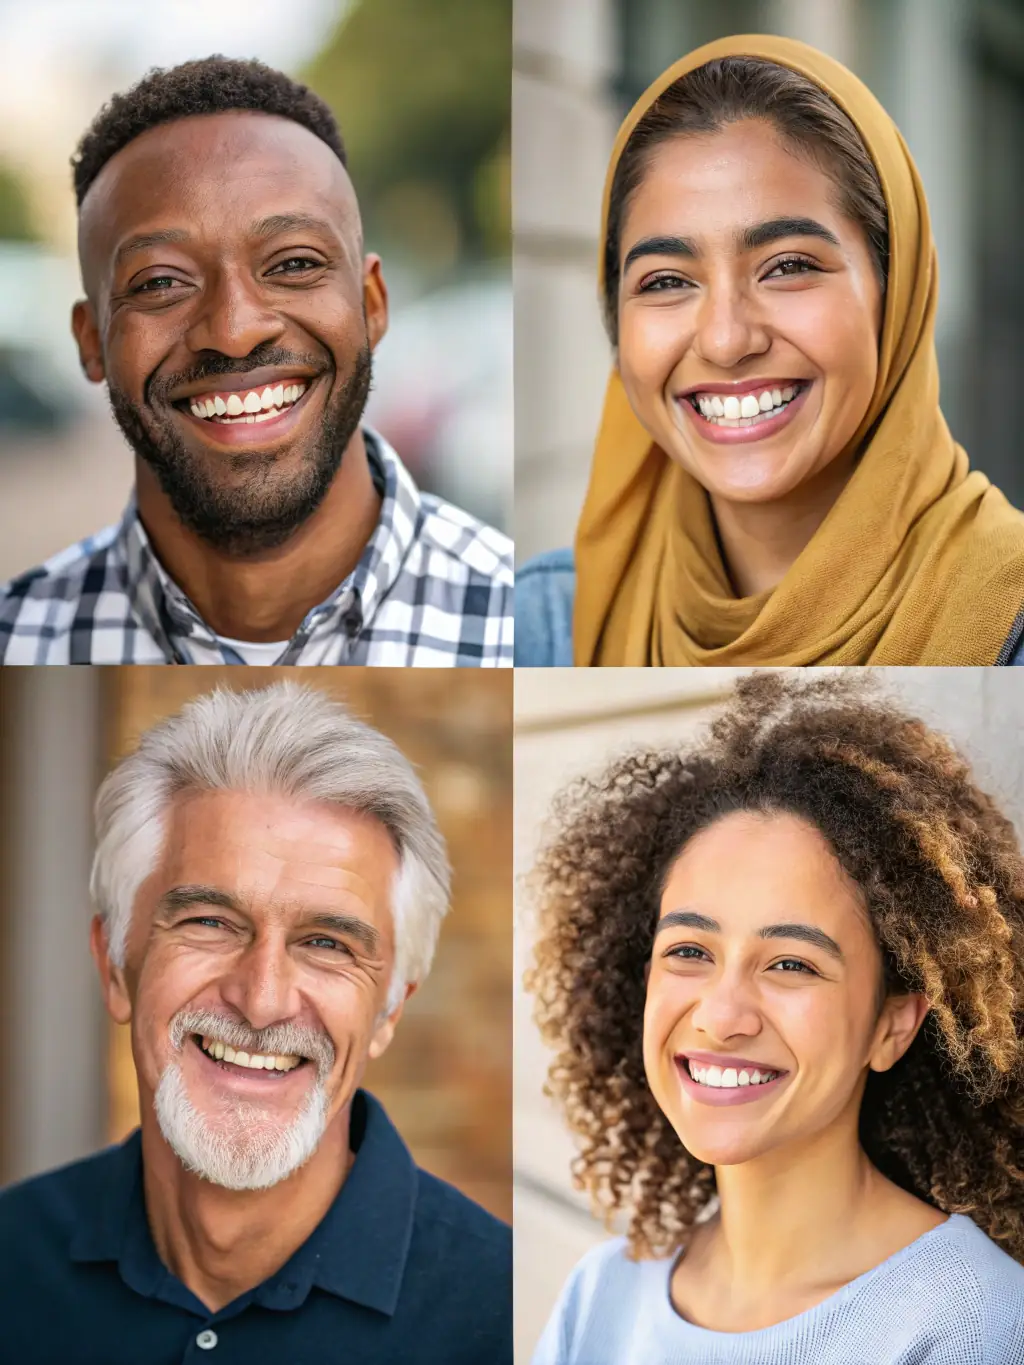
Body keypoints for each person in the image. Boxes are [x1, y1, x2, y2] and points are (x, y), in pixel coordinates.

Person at [0, 683, 511, 1363]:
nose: (263, 999)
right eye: (210, 922)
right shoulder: (11, 1259)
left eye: (328, 942)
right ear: (113, 967)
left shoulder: (507, 1318)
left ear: (390, 1008)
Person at [525, 672, 1024, 1363]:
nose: (722, 1015)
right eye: (690, 950)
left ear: (894, 1024)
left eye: (791, 963)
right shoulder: (603, 1294)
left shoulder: (972, 1324)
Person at [515, 34, 1024, 667]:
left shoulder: (1009, 611)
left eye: (786, 267)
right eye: (668, 281)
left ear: (897, 293)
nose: (727, 340)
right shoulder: (547, 623)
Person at [0, 57, 513, 666]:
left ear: (372, 304)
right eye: (162, 281)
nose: (236, 331)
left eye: (294, 263)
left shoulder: (518, 622)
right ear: (91, 342)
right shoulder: (18, 640)